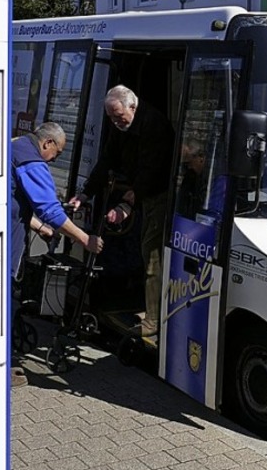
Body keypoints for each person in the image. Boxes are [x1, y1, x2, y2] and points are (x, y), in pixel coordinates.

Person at [70, 86, 174, 338]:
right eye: (111, 118)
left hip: (158, 195)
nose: (115, 122)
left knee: (152, 257)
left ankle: (152, 322)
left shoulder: (154, 125)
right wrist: (85, 193)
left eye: (118, 116)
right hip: (142, 192)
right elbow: (106, 160)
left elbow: (153, 170)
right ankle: (146, 307)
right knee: (144, 250)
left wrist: (128, 205)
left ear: (133, 107)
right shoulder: (122, 127)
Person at [11, 121, 103, 280]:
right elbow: (51, 211)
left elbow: (11, 204)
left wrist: (40, 227)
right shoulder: (31, 162)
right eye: (57, 153)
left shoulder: (16, 145)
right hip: (5, 245)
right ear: (47, 143)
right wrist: (86, 240)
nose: (54, 160)